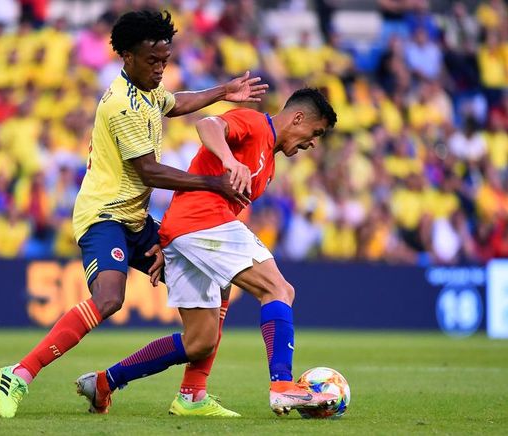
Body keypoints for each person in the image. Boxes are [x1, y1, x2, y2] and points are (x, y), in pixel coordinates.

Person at [0, 9, 268, 419]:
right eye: (152, 61)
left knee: (216, 279)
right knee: (108, 298)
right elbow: (150, 171)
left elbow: (176, 104)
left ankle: (190, 394)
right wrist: (216, 182)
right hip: (104, 216)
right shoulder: (122, 104)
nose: (160, 69)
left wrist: (223, 91)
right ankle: (18, 373)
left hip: (136, 221)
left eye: (165, 61)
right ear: (126, 57)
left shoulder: (149, 90)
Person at [76, 88, 339, 417]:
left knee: (200, 341)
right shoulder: (256, 123)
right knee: (279, 289)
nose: (312, 143)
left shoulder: (268, 165)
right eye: (315, 133)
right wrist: (229, 160)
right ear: (298, 118)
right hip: (202, 223)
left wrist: (170, 239)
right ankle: (282, 385)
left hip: (186, 231)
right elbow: (208, 125)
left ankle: (107, 382)